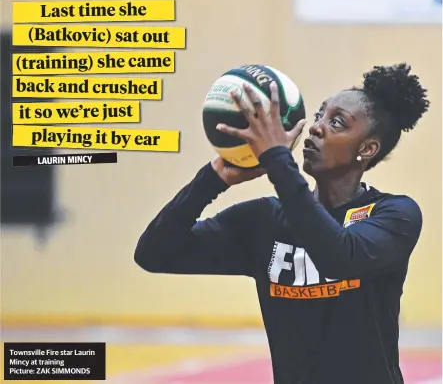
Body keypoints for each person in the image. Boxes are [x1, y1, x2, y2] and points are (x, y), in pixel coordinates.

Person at [134, 63, 430, 384]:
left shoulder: (394, 214)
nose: (316, 127)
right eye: (318, 115)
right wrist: (213, 179)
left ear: (367, 148)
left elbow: (340, 256)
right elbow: (154, 254)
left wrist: (278, 161)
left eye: (337, 122)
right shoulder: (265, 221)